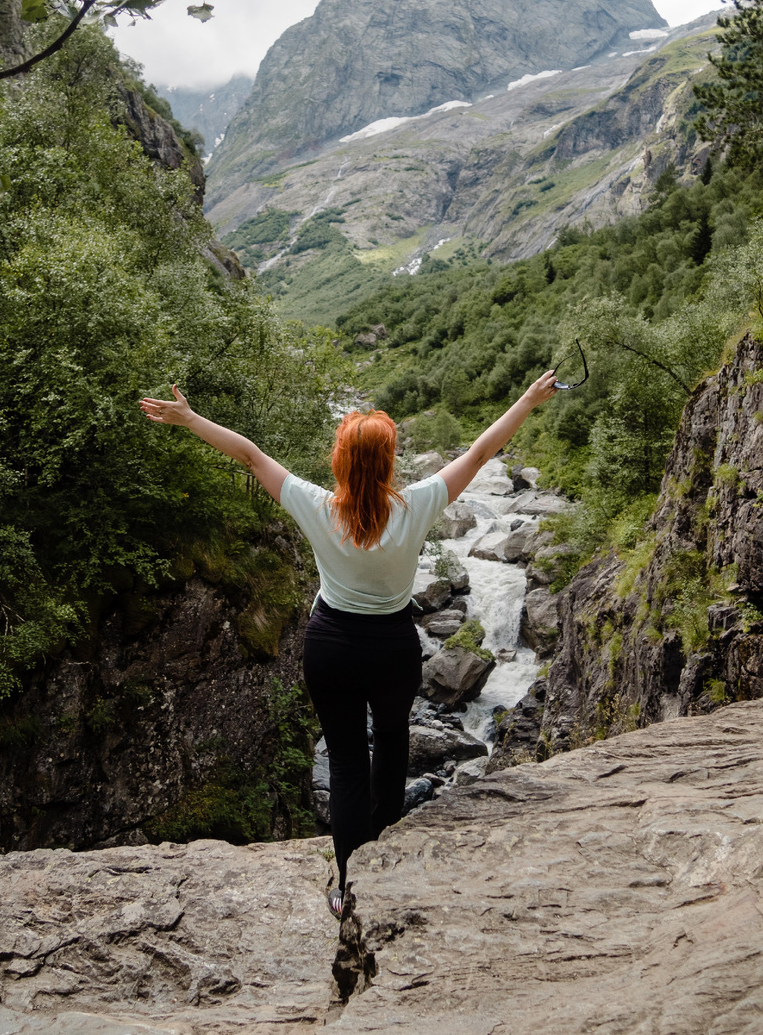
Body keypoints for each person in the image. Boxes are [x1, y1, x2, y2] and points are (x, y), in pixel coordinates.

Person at [139, 371, 558, 917]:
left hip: (331, 646)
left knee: (344, 760)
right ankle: (385, 848)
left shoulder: (318, 506)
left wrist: (191, 419)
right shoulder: (417, 506)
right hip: (392, 649)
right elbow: (480, 455)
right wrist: (527, 398)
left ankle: (346, 883)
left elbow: (250, 456)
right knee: (390, 742)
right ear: (387, 465)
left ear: (339, 460)